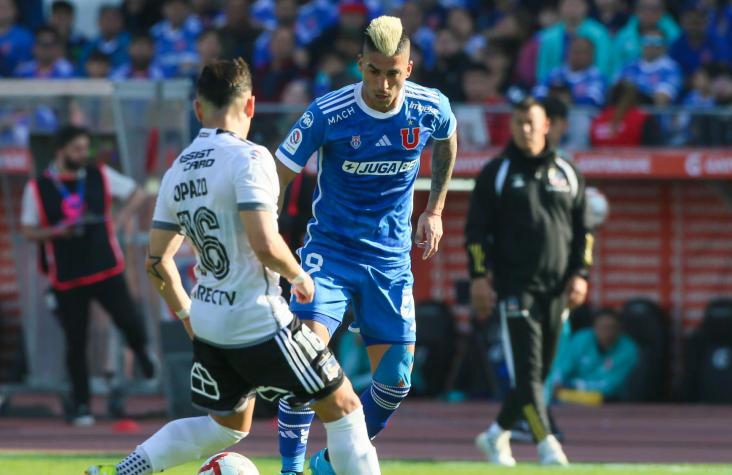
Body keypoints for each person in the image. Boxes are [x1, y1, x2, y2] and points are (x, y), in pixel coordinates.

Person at [84, 58, 381, 475]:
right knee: (346, 407)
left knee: (226, 427)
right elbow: (264, 242)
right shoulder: (251, 158)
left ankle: (121, 472)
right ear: (251, 105)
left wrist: (190, 316)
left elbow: (157, 262)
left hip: (209, 320)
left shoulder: (177, 169)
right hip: (257, 319)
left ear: (198, 109)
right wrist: (298, 276)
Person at [273, 16, 458, 474]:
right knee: (305, 364)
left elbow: (448, 138)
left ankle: (332, 462)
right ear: (360, 65)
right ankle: (291, 469)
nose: (382, 83)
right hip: (330, 255)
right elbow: (275, 178)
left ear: (409, 69)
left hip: (390, 261)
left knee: (395, 382)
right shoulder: (327, 113)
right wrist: (265, 245)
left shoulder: (428, 108)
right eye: (373, 71)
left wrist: (434, 209)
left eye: (392, 73)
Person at [465, 97, 592, 466]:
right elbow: (475, 233)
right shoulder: (497, 172)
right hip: (515, 289)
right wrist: (478, 277)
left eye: (531, 122)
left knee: (537, 374)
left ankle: (494, 436)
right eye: (518, 122)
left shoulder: (568, 170)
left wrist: (581, 275)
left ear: (547, 124)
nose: (524, 129)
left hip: (558, 291)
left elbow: (585, 231)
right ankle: (547, 445)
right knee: (528, 372)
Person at [20, 125, 152, 426]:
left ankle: (143, 355)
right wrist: (53, 232)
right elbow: (28, 230)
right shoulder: (37, 188)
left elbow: (138, 193)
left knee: (129, 318)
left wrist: (119, 218)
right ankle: (81, 405)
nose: (83, 154)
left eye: (85, 148)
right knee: (76, 342)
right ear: (61, 151)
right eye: (76, 148)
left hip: (104, 265)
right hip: (67, 275)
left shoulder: (100, 175)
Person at [548, 308, 639, 401]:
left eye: (612, 327)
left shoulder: (628, 349)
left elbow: (611, 386)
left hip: (608, 401)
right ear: (594, 328)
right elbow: (562, 367)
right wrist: (557, 382)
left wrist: (573, 385)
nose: (607, 332)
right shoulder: (581, 339)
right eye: (603, 327)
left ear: (619, 329)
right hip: (569, 396)